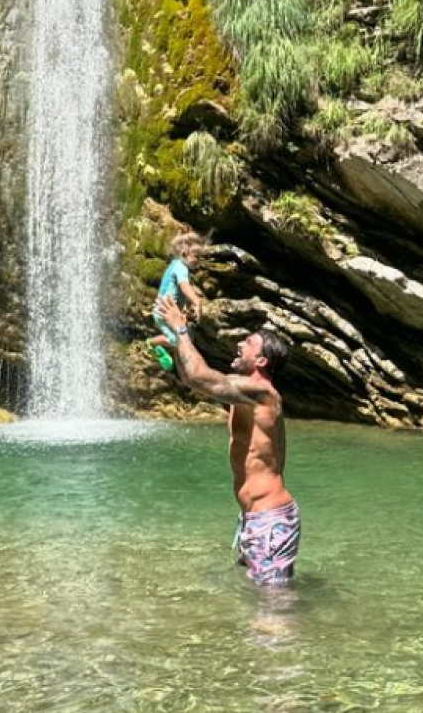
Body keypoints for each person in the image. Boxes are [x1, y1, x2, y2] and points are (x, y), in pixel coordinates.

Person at [156, 295, 301, 587]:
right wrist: (176, 344)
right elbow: (193, 380)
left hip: (270, 518)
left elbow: (199, 376)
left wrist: (181, 330)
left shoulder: (262, 393)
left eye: (248, 342)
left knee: (274, 606)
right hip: (255, 517)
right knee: (256, 597)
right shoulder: (244, 394)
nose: (239, 344)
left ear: (261, 360)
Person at [147, 232, 204, 371]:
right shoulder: (181, 268)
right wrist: (197, 302)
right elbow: (184, 287)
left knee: (187, 337)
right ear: (184, 254)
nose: (199, 260)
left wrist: (187, 308)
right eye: (196, 256)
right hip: (164, 311)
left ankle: (163, 353)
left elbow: (179, 292)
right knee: (178, 339)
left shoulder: (176, 265)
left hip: (167, 310)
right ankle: (151, 344)